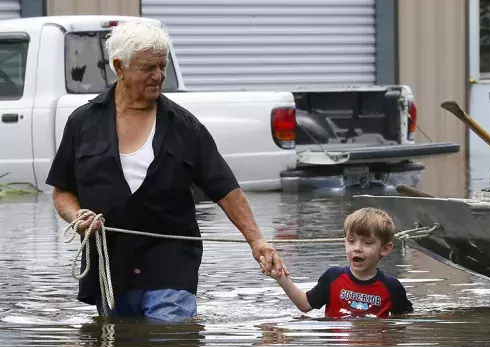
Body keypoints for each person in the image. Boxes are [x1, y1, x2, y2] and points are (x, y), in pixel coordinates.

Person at [45, 19, 285, 322]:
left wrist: (257, 241)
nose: (158, 76)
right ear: (120, 67)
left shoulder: (185, 127)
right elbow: (62, 191)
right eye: (148, 68)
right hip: (111, 266)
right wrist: (78, 217)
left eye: (162, 66)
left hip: (171, 263)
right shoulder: (82, 123)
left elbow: (225, 190)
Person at [262, 207, 413, 318]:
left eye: (367, 243)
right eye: (352, 241)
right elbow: (305, 305)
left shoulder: (392, 287)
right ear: (345, 243)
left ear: (385, 248)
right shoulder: (333, 277)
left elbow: (403, 320)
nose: (357, 248)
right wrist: (281, 278)